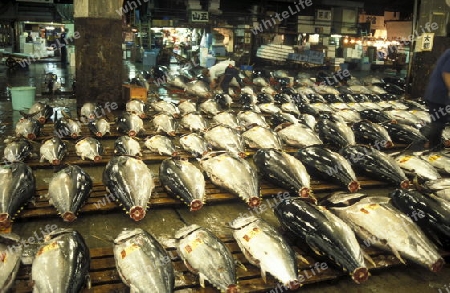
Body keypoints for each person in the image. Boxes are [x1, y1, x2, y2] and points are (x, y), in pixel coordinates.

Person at [421, 48, 450, 151]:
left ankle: (430, 144)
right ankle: (433, 149)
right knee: (438, 122)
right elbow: (446, 73)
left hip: (439, 93)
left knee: (439, 121)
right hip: (439, 93)